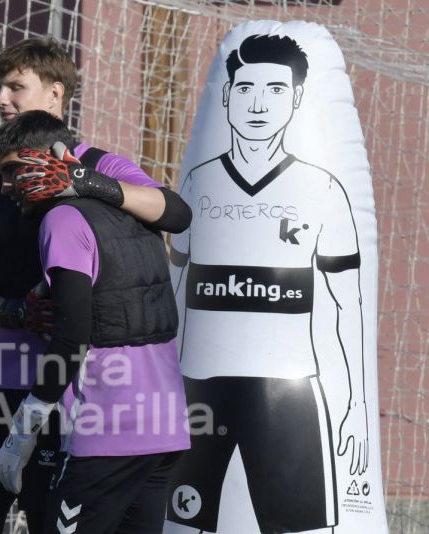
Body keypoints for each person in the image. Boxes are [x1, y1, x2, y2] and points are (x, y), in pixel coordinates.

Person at [0, 36, 187, 533]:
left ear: (55, 95)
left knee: (49, 518)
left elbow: (177, 213)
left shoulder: (102, 166)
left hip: (72, 389)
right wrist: (16, 313)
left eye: (15, 87)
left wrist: (91, 184)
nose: (1, 99)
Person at [165, 34, 368, 534]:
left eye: (276, 90)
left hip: (289, 391)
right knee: (180, 522)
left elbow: (349, 305)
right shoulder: (198, 184)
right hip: (199, 391)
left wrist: (354, 404)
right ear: (228, 95)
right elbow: (172, 289)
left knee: (300, 527)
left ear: (297, 99)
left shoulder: (323, 189)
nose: (259, 104)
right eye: (247, 88)